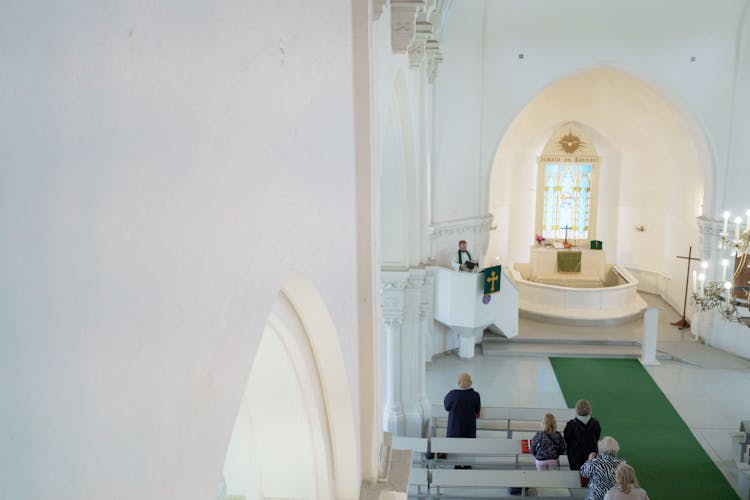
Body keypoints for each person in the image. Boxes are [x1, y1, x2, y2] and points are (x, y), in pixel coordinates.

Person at [564, 399, 602, 471]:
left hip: (575, 456)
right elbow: (597, 437)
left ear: (576, 410)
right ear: (590, 410)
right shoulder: (595, 423)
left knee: (576, 476)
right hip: (591, 455)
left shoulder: (571, 424)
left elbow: (566, 439)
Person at [443, 372, 481, 438]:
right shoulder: (475, 395)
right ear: (470, 382)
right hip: (469, 432)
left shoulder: (451, 395)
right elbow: (477, 410)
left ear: (458, 382)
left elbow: (447, 407)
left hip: (453, 432)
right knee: (469, 447)